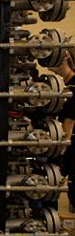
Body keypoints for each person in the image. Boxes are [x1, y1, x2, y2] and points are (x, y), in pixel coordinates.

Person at [51, 50, 75, 209]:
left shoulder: (74, 85)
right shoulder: (65, 85)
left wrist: (61, 149)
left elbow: (70, 120)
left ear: (65, 57)